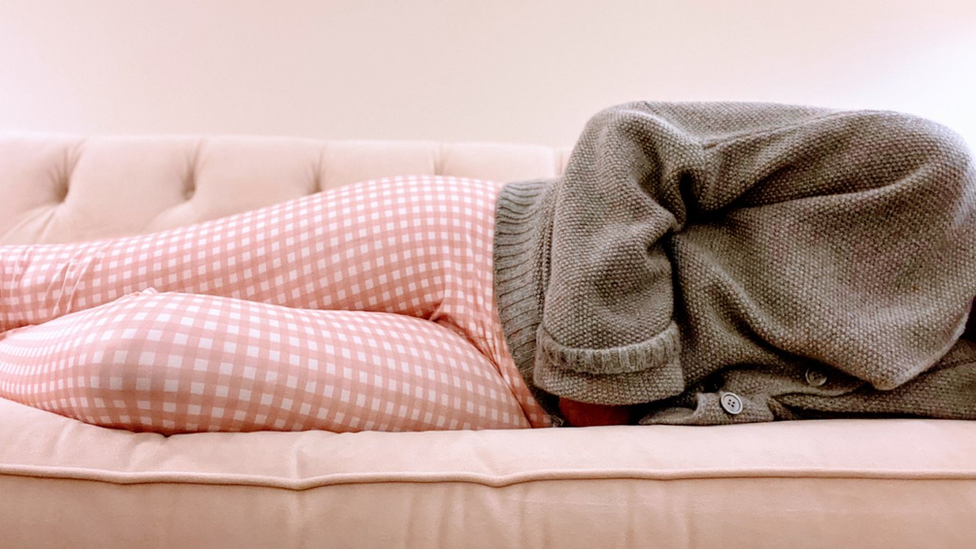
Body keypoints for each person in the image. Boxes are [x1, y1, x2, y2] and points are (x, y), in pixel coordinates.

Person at [2, 101, 975, 434]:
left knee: (139, 360)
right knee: (57, 283)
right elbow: (629, 141)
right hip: (480, 246)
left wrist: (647, 416)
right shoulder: (929, 171)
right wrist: (610, 369)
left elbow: (766, 410)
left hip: (524, 402)